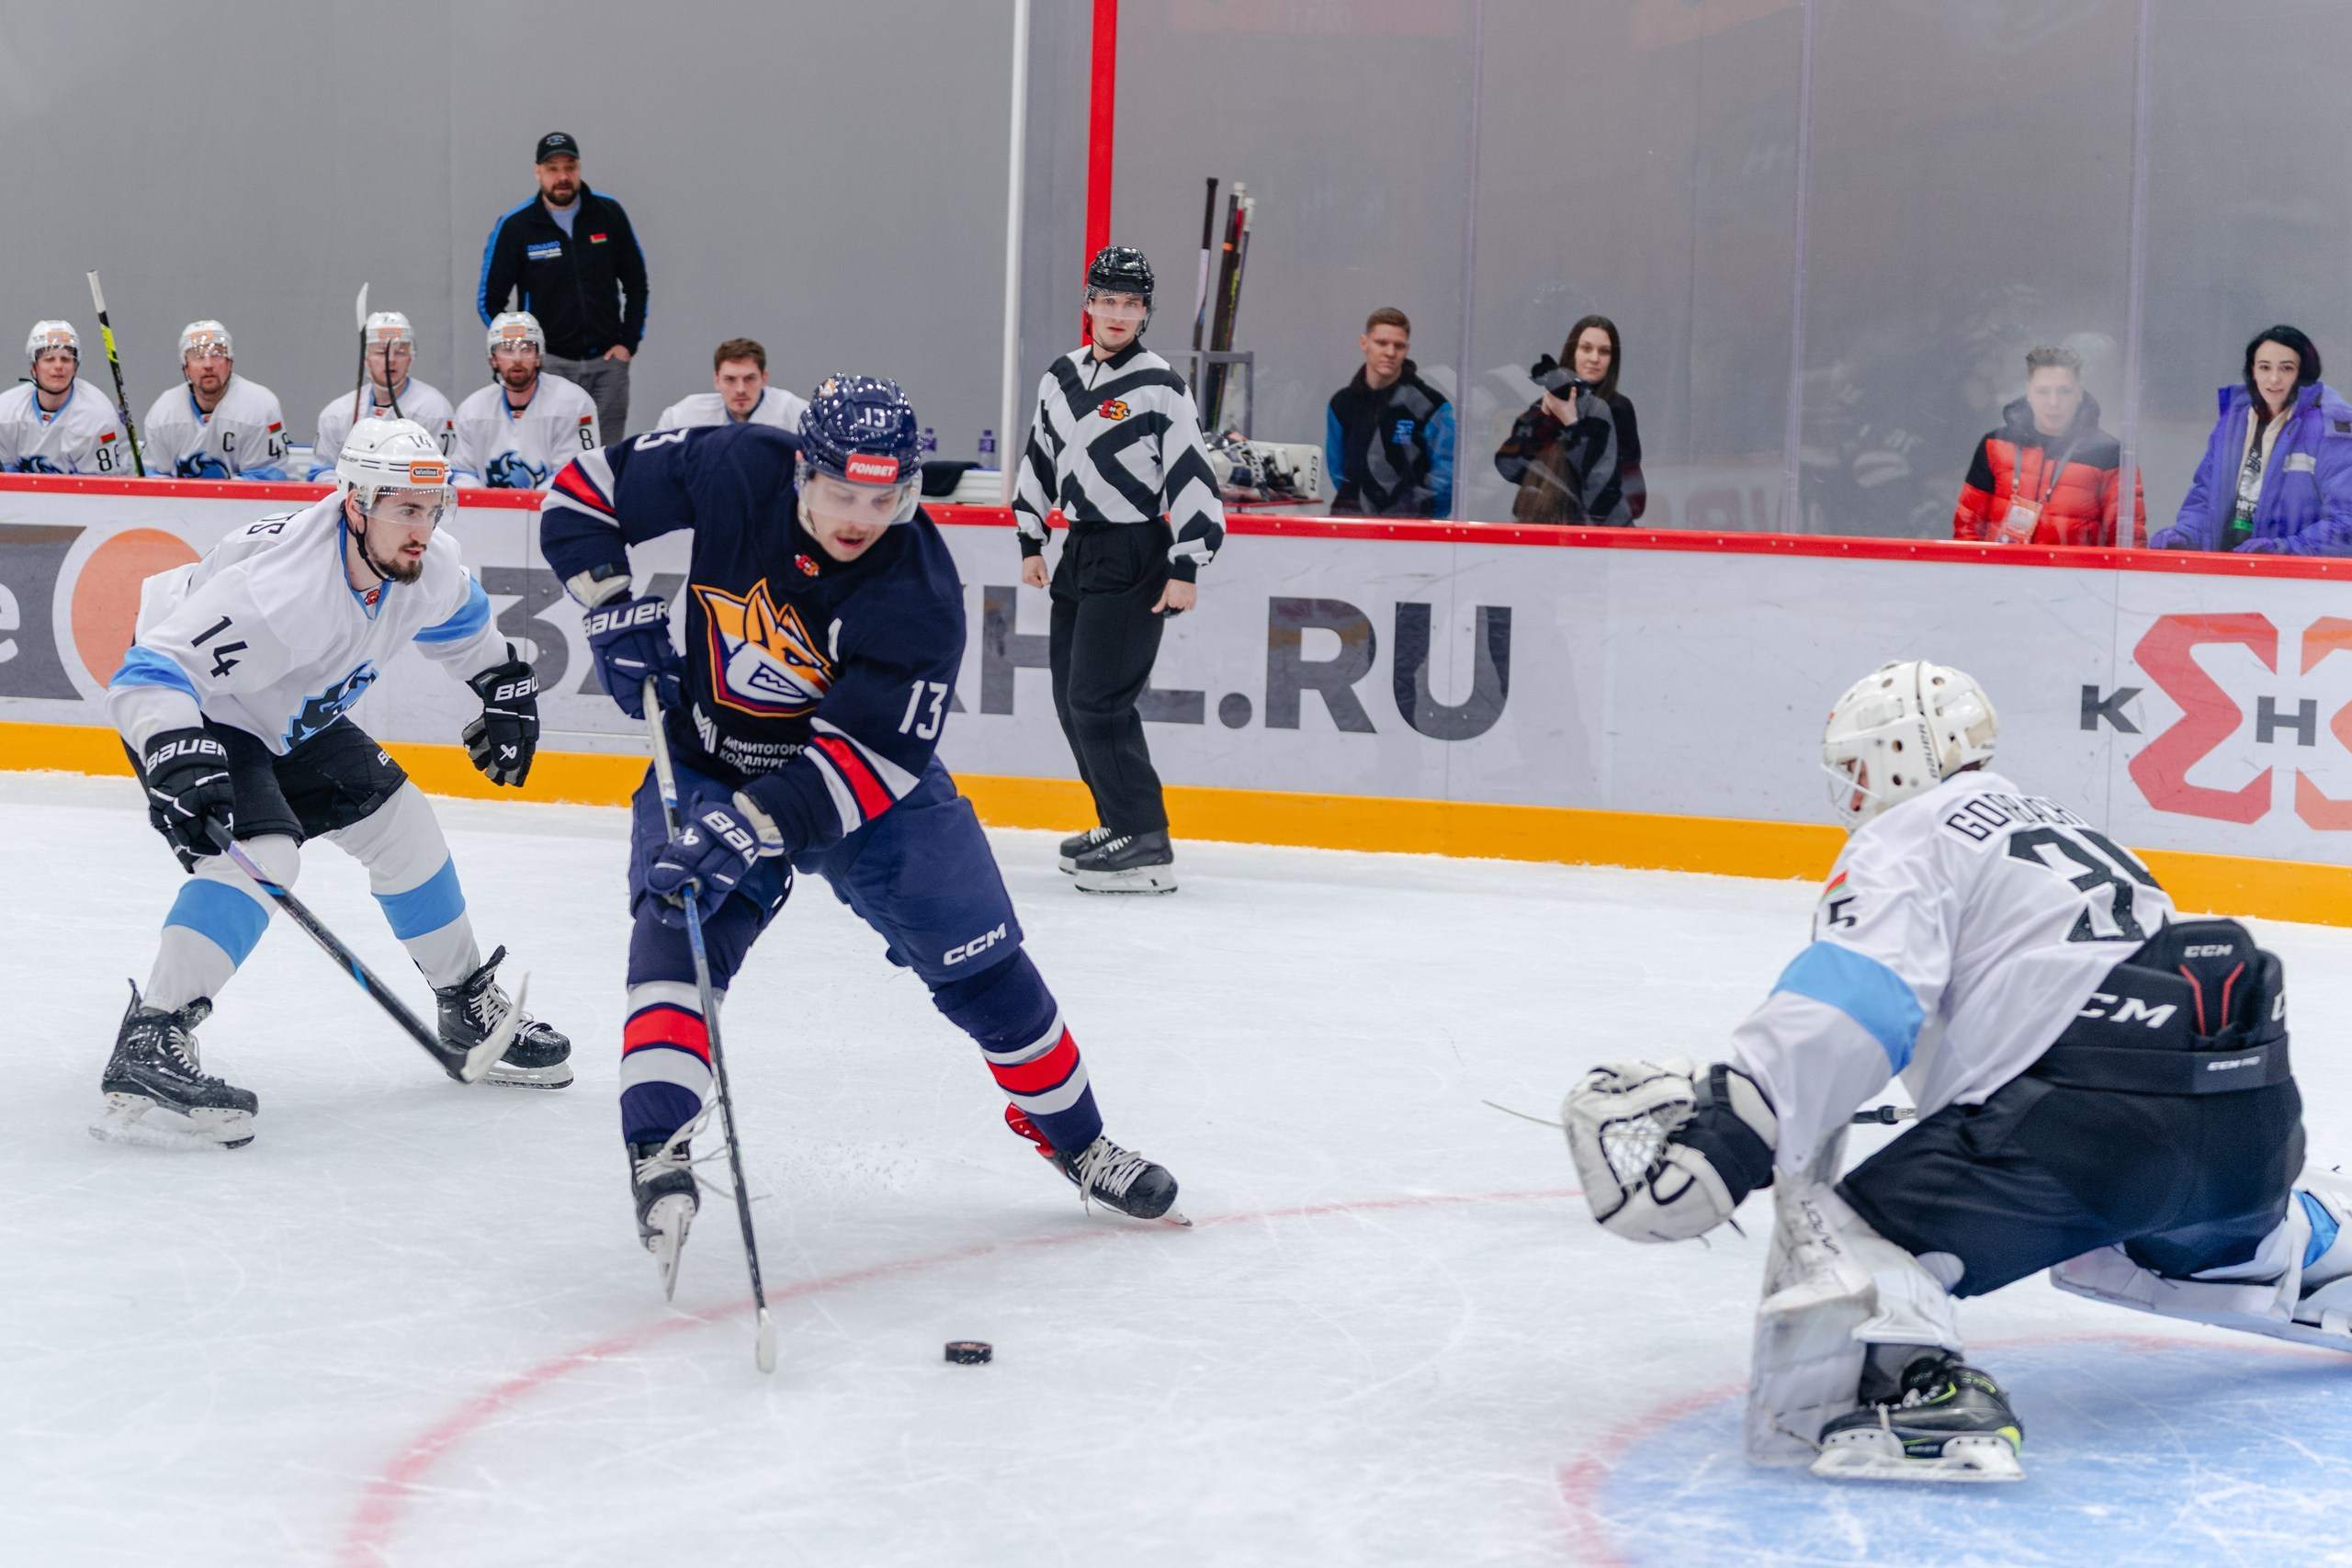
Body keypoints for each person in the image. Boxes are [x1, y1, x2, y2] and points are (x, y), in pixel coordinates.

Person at [1563, 658, 2350, 1483]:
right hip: (2250, 1121)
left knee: (1847, 1243)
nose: (1856, 790)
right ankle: (2324, 1250)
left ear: (1904, 753)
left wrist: (1733, 1129)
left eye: (1862, 766)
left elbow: (1856, 1002)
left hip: (2087, 1132)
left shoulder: (1908, 833)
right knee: (2195, 1216)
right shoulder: (2073, 830)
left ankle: (1917, 1392)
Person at [537, 375, 1183, 1284]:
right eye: (842, 493)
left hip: (858, 793)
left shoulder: (917, 589)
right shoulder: (732, 463)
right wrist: (608, 600)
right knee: (676, 926)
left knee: (986, 967)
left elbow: (866, 766)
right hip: (710, 759)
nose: (860, 517)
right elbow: (580, 496)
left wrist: (753, 826)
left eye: (886, 498)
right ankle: (658, 1149)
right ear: (802, 470)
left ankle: (1077, 1142)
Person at [96, 419, 572, 1150]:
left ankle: (466, 1002)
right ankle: (151, 1037)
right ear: (354, 503)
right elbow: (150, 672)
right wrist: (173, 746)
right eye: (404, 510)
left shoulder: (425, 562)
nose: (423, 527)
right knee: (264, 854)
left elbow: (468, 632)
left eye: (432, 506)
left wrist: (505, 685)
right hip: (198, 704)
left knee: (401, 822)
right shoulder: (279, 589)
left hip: (286, 709)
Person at [1012, 245, 1226, 894]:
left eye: (1130, 303)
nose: (1117, 313)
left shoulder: (1161, 384)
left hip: (1136, 552)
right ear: (1089, 304)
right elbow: (1038, 458)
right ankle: (1116, 821)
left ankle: (1146, 835)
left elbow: (1192, 472)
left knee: (1099, 699)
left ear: (1145, 312)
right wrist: (1030, 540)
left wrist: (1188, 562)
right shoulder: (1061, 377)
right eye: (1107, 300)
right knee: (1070, 697)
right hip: (1077, 550)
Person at [476, 131, 647, 438]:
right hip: (549, 367)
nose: (563, 176)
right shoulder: (516, 225)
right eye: (553, 169)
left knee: (605, 459)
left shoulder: (609, 214)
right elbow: (489, 300)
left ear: (579, 168)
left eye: (570, 167)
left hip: (607, 367)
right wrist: (521, 351)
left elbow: (637, 284)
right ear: (538, 172)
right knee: (546, 454)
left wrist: (628, 343)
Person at [2151, 325, 2352, 555]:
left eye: (2286, 368)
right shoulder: (2233, 423)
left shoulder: (2331, 428)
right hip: (2227, 571)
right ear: (2252, 371)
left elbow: (2347, 520)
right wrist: (2186, 534)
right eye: (2264, 367)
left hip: (2296, 582)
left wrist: (2285, 550)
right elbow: (2205, 496)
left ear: (2302, 373)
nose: (2274, 378)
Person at [1951, 346, 2146, 547]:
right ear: (2029, 393)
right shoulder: (1995, 444)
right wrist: (1975, 575)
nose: (2053, 402)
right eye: (2043, 391)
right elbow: (1968, 526)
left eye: (2064, 391)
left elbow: (2127, 542)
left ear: (2079, 393)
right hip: (2001, 575)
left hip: (2075, 576)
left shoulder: (2110, 455)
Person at [1493, 314, 1644, 525]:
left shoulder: (1617, 409)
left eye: (1604, 351)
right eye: (1586, 348)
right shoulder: (1548, 403)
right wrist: (1540, 421)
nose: (1594, 358)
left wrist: (1572, 425)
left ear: (1613, 360)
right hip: (1544, 525)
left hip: (1598, 530)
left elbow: (1606, 486)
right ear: (1572, 352)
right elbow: (1509, 467)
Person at [1324, 307, 1453, 517]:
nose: (1390, 352)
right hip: (1351, 526)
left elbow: (1446, 477)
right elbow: (1337, 470)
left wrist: (1420, 516)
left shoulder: (1431, 405)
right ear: (1364, 343)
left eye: (1399, 346)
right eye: (1382, 343)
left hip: (1410, 532)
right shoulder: (1342, 404)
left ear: (1407, 349)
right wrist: (1360, 505)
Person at [452, 312, 601, 490]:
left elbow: (577, 473)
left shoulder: (574, 402)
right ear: (493, 359)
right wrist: (490, 506)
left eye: (526, 349)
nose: (517, 359)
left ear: (539, 356)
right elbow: (462, 472)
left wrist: (527, 506)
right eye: (507, 349)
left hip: (553, 512)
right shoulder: (471, 410)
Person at [311, 312, 460, 481]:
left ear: (411, 358)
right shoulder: (336, 414)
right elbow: (322, 473)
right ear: (366, 358)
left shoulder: (434, 409)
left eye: (400, 352)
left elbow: (444, 476)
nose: (390, 360)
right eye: (381, 352)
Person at [141, 321, 290, 480]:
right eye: (197, 356)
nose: (208, 364)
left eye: (217, 354)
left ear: (230, 362)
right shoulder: (164, 411)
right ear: (186, 367)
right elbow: (153, 478)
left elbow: (268, 480)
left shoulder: (261, 406)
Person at [0, 321, 129, 475]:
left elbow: (100, 490)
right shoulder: (6, 411)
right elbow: (8, 479)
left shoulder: (97, 416)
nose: (58, 366)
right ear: (34, 367)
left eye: (66, 359)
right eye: (49, 359)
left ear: (75, 366)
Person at [654, 338, 808, 432]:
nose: (740, 389)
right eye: (730, 379)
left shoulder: (793, 412)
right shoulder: (684, 415)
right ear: (716, 380)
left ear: (764, 378)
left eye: (749, 379)